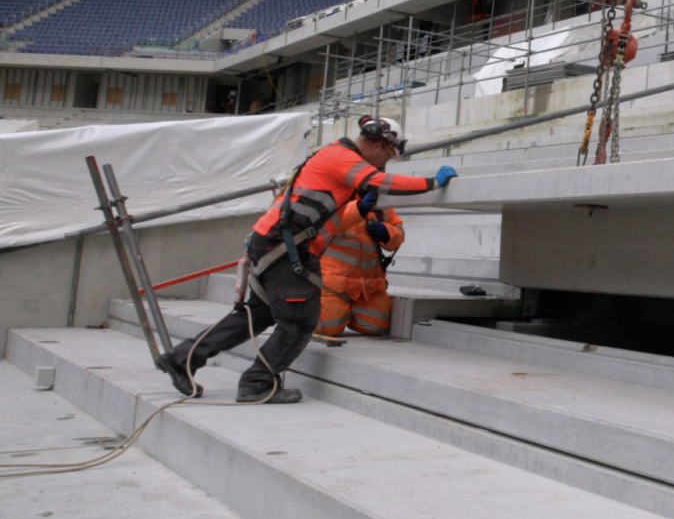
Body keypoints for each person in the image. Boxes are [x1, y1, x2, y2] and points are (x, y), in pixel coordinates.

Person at [154, 116, 457, 403]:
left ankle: (180, 360)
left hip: (278, 244)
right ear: (378, 145)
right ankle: (257, 385)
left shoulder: (333, 158)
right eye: (386, 156)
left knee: (257, 315)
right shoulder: (342, 157)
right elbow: (383, 182)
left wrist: (359, 212)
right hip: (284, 247)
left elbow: (327, 220)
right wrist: (433, 182)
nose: (384, 162)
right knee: (299, 323)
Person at [312, 200, 404, 339]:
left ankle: (348, 313)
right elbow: (321, 228)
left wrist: (387, 232)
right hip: (333, 285)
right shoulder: (333, 197)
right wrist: (357, 210)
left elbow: (399, 233)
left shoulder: (381, 205)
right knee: (327, 328)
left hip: (370, 287)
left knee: (376, 327)